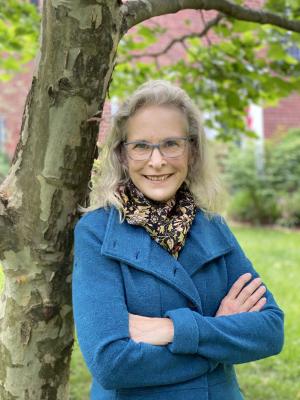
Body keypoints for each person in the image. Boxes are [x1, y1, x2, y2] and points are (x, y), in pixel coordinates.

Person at [72, 80, 284, 400]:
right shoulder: (97, 231)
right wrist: (218, 336)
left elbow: (269, 331)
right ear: (122, 154)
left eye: (171, 144)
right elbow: (111, 363)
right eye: (141, 146)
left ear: (192, 150)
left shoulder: (212, 226)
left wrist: (170, 330)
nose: (157, 161)